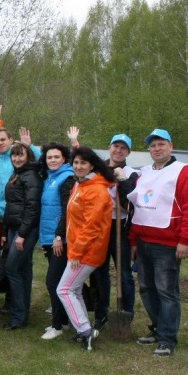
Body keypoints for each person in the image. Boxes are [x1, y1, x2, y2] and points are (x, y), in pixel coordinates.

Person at [129, 129, 188, 356]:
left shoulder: (183, 172)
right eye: (152, 146)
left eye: (161, 144)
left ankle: (168, 338)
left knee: (167, 291)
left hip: (167, 245)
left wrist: (185, 240)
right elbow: (136, 207)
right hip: (143, 242)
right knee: (146, 289)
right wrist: (133, 241)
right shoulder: (144, 173)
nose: (156, 149)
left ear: (171, 146)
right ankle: (158, 328)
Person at [56, 147, 116, 350]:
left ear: (92, 165)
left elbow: (91, 227)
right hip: (79, 248)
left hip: (87, 251)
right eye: (76, 162)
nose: (78, 166)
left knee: (63, 289)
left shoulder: (97, 190)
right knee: (75, 290)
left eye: (83, 163)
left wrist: (76, 252)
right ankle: (85, 330)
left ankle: (85, 330)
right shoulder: (81, 185)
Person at [89, 134, 141, 331]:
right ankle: (101, 314)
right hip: (100, 228)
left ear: (128, 152)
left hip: (120, 228)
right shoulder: (97, 171)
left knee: (124, 274)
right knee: (100, 273)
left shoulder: (131, 173)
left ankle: (126, 313)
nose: (118, 151)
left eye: (123, 148)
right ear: (109, 148)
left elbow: (132, 204)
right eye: (115, 146)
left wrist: (123, 180)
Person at [1, 142, 42, 330]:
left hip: (24, 231)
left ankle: (18, 316)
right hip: (13, 229)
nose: (17, 159)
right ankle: (23, 313)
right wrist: (5, 231)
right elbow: (11, 206)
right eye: (14, 156)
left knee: (12, 269)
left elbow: (32, 209)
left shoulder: (31, 176)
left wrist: (22, 235)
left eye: (20, 155)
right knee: (24, 270)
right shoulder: (17, 174)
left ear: (28, 156)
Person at [38, 143, 77, 340]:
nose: (52, 160)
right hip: (48, 237)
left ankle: (57, 326)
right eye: (49, 157)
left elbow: (66, 211)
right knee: (59, 281)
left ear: (64, 159)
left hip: (59, 239)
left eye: (56, 157)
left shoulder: (67, 179)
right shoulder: (49, 178)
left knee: (53, 281)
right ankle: (63, 320)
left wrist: (59, 237)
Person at [0, 126, 42, 222]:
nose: (0, 143)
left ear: (11, 140)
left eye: (3, 139)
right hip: (1, 217)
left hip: (21, 217)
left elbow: (42, 162)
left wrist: (29, 146)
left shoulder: (20, 160)